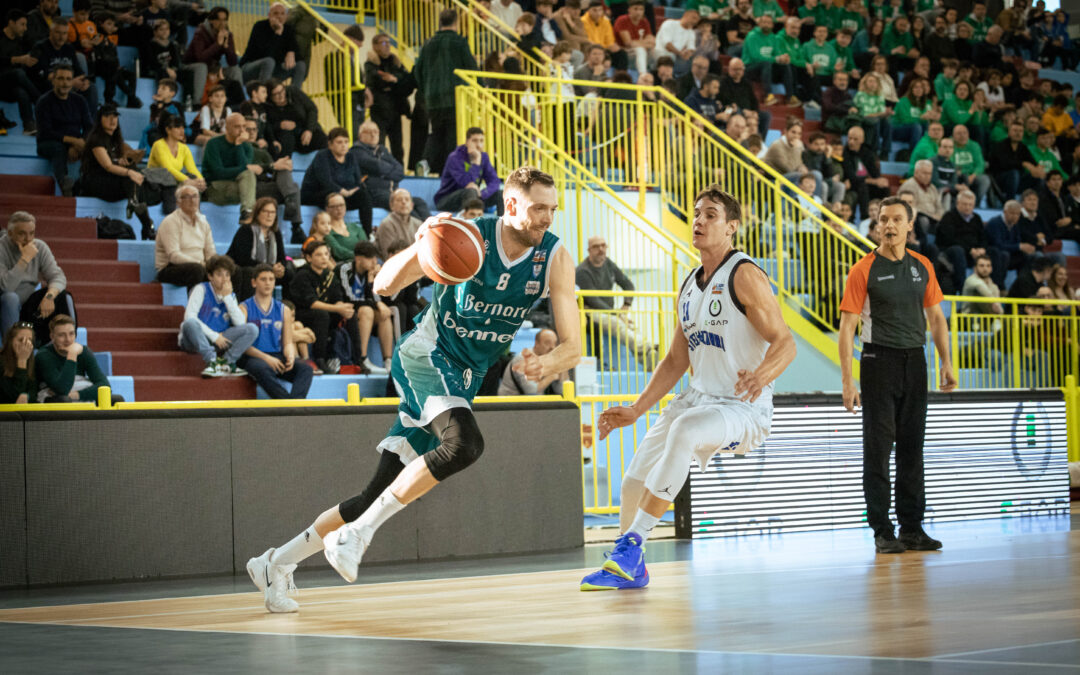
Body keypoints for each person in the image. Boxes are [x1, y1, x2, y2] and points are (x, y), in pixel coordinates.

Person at [246, 166, 580, 612]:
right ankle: (357, 535)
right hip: (426, 355)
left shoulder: (554, 257)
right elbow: (383, 286)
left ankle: (275, 563)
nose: (547, 218)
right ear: (512, 205)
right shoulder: (465, 236)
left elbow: (573, 345)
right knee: (466, 444)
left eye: (552, 209)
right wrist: (422, 245)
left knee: (371, 495)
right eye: (539, 208)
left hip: (463, 379)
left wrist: (549, 361)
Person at [578, 186, 796, 590]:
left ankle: (631, 547)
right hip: (697, 398)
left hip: (741, 405)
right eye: (696, 213)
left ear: (732, 227)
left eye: (710, 215)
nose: (698, 220)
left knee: (686, 431)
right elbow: (676, 361)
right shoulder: (689, 285)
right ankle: (629, 566)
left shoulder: (744, 274)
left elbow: (787, 342)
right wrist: (637, 408)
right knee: (632, 483)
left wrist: (761, 375)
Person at [839, 196, 956, 555]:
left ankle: (912, 528)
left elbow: (936, 319)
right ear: (876, 225)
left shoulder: (923, 266)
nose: (888, 226)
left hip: (915, 362)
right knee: (877, 450)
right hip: (878, 362)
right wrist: (847, 381)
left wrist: (946, 363)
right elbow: (846, 329)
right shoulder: (863, 269)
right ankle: (882, 531)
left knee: (912, 449)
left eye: (895, 220)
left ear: (910, 224)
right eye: (882, 219)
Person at [78, 104, 159, 236]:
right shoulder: (96, 139)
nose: (112, 120)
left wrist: (125, 161)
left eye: (115, 116)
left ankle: (139, 212)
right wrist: (128, 171)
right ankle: (146, 224)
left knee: (133, 172)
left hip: (112, 182)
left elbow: (129, 159)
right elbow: (107, 166)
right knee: (132, 174)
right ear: (100, 119)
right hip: (95, 183)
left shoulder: (116, 140)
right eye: (108, 116)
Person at [413, 9, 478, 175]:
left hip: (432, 98)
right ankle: (452, 171)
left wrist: (426, 88)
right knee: (452, 136)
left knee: (435, 134)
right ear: (456, 22)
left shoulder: (428, 43)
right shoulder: (459, 42)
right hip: (455, 96)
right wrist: (481, 87)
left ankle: (425, 163)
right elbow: (471, 68)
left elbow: (417, 71)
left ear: (440, 22)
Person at [576, 235, 656, 367]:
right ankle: (645, 349)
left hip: (609, 313)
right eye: (596, 247)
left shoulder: (608, 263)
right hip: (589, 313)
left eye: (603, 245)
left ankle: (647, 354)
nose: (601, 249)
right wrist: (617, 314)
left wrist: (626, 305)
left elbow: (628, 285)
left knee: (630, 325)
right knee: (617, 323)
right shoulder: (582, 271)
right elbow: (594, 300)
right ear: (589, 250)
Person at [239, 263, 312, 399]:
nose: (268, 283)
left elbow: (288, 342)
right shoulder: (244, 308)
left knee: (306, 369)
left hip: (277, 356)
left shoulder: (284, 309)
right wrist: (267, 358)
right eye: (263, 279)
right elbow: (243, 346)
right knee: (261, 368)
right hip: (253, 357)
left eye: (271, 279)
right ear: (254, 283)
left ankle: (294, 403)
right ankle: (287, 404)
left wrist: (290, 355)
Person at [0, 211, 74, 345]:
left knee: (62, 295)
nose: (28, 239)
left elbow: (58, 276)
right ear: (10, 234)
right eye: (22, 234)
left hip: (27, 307)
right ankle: (11, 350)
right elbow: (6, 287)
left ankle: (64, 346)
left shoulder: (39, 246)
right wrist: (24, 260)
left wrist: (49, 296)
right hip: (5, 306)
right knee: (10, 297)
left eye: (32, 233)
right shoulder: (2, 248)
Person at [179, 254, 257, 377]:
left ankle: (226, 362)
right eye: (219, 274)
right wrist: (214, 336)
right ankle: (212, 362)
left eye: (227, 275)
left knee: (252, 329)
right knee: (189, 323)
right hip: (195, 339)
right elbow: (189, 316)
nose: (224, 279)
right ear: (210, 276)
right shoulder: (201, 289)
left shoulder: (230, 296)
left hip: (219, 340)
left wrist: (227, 298)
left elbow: (241, 323)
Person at [287, 239, 353, 374]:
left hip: (323, 312)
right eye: (319, 255)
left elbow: (337, 298)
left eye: (326, 254)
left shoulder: (329, 275)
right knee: (322, 314)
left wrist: (343, 308)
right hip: (301, 314)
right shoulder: (302, 275)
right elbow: (312, 303)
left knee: (351, 314)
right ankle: (319, 358)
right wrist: (338, 308)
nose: (324, 258)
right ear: (309, 258)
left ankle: (357, 359)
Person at [301, 126, 372, 237]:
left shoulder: (351, 157)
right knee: (333, 197)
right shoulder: (322, 156)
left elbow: (358, 181)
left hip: (343, 195)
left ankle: (368, 235)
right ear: (330, 144)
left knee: (364, 195)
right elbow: (325, 181)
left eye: (346, 142)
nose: (343, 145)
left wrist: (353, 191)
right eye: (339, 142)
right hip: (316, 194)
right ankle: (333, 233)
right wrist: (342, 191)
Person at [352, 120, 429, 221]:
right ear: (361, 135)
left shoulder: (382, 150)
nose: (373, 135)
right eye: (369, 132)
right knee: (402, 204)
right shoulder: (356, 151)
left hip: (392, 192)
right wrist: (389, 170)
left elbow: (400, 171)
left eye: (376, 132)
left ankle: (432, 229)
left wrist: (383, 173)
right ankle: (421, 230)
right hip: (373, 193)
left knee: (419, 202)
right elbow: (377, 166)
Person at [35, 314, 123, 403]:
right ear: (52, 336)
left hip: (76, 393)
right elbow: (62, 390)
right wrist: (72, 354)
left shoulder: (83, 351)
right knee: (64, 400)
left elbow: (105, 386)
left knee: (115, 399)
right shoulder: (44, 355)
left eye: (71, 334)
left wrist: (77, 395)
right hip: (51, 398)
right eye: (62, 335)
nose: (68, 339)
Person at [34, 63, 91, 196]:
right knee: (58, 147)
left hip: (74, 143)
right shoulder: (44, 102)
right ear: (53, 80)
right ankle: (65, 183)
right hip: (48, 143)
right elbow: (46, 132)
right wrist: (73, 141)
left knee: (95, 147)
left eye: (68, 79)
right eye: (60, 78)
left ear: (72, 81)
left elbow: (89, 126)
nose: (64, 83)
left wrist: (79, 143)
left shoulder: (80, 100)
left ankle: (87, 186)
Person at [936, 190, 1007, 295]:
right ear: (958, 203)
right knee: (958, 251)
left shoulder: (977, 218)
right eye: (965, 204)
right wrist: (970, 249)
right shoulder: (949, 217)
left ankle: (997, 288)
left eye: (970, 205)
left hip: (973, 252)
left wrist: (982, 248)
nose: (967, 207)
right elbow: (949, 239)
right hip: (952, 251)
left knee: (994, 252)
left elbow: (983, 237)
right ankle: (962, 290)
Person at [339, 241, 393, 374]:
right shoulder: (345, 269)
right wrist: (376, 304)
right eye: (370, 258)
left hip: (363, 313)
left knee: (383, 315)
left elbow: (379, 297)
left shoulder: (369, 272)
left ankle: (388, 361)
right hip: (344, 312)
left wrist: (371, 281)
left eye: (375, 257)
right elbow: (349, 298)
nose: (374, 262)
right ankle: (362, 359)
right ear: (358, 258)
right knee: (367, 310)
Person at [364, 32, 415, 166]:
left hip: (396, 109)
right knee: (379, 144)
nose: (388, 46)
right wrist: (392, 81)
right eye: (384, 43)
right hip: (380, 109)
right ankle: (379, 169)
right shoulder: (370, 63)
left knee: (398, 146)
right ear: (375, 46)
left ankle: (399, 171)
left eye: (389, 43)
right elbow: (375, 79)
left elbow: (405, 77)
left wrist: (394, 79)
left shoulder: (395, 61)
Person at [155, 184, 216, 289]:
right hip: (171, 268)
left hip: (199, 266)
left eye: (195, 196)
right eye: (187, 197)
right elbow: (174, 256)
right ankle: (194, 304)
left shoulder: (203, 221)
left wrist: (216, 265)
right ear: (179, 202)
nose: (192, 200)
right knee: (197, 270)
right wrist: (200, 263)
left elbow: (210, 252)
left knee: (231, 270)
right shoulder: (171, 221)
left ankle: (231, 305)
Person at [226, 196, 288, 302]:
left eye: (272, 212)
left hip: (268, 270)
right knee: (250, 272)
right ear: (257, 213)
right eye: (266, 212)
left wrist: (280, 268)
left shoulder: (275, 233)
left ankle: (287, 309)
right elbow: (243, 259)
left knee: (289, 272)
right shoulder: (246, 230)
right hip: (243, 270)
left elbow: (282, 257)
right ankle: (246, 308)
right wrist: (270, 267)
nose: (269, 215)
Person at [182, 6, 242, 110]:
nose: (222, 23)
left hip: (212, 68)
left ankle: (241, 104)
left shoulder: (227, 34)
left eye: (225, 20)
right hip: (191, 66)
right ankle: (197, 103)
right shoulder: (200, 32)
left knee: (235, 70)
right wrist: (217, 44)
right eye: (219, 20)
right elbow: (200, 58)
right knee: (202, 67)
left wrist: (227, 47)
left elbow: (233, 62)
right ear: (211, 21)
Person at [202, 112, 258, 224]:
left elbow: (245, 169)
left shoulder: (246, 147)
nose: (242, 130)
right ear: (227, 128)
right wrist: (243, 169)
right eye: (237, 127)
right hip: (215, 189)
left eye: (244, 127)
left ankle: (246, 212)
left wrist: (238, 145)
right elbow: (217, 173)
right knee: (249, 180)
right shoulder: (213, 143)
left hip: (238, 187)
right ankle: (247, 212)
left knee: (249, 177)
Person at [434, 127, 503, 215]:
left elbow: (494, 181)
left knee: (500, 194)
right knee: (470, 190)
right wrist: (475, 163)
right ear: (467, 142)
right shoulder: (455, 157)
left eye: (481, 141)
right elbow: (466, 183)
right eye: (475, 141)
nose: (479, 145)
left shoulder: (484, 157)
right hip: (447, 200)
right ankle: (472, 224)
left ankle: (503, 225)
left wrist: (483, 193)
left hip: (473, 196)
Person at [148, 113, 206, 216]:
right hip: (157, 181)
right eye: (177, 127)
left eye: (183, 127)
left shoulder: (184, 148)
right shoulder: (159, 145)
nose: (182, 131)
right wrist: (187, 181)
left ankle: (195, 213)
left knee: (193, 178)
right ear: (168, 130)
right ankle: (172, 215)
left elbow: (192, 168)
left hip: (173, 180)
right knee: (178, 182)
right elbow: (168, 168)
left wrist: (200, 180)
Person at [240, 2, 305, 87]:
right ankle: (264, 96)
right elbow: (265, 54)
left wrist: (291, 52)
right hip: (249, 69)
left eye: (282, 14)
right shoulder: (259, 26)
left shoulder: (288, 29)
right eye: (276, 13)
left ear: (286, 17)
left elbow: (299, 55)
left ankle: (295, 96)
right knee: (269, 61)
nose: (279, 16)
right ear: (269, 15)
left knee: (300, 65)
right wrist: (277, 33)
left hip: (272, 70)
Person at [0, 9, 41, 135]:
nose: (25, 28)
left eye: (26, 25)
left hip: (10, 86)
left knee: (21, 91)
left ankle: (28, 125)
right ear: (11, 23)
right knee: (18, 73)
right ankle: (41, 102)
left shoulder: (21, 40)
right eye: (22, 24)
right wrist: (17, 60)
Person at [265, 78, 325, 157]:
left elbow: (312, 109)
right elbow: (266, 126)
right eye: (276, 94)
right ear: (270, 97)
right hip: (286, 137)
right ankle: (284, 166)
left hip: (305, 130)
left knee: (323, 138)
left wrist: (309, 130)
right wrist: (279, 125)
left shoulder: (293, 91)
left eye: (282, 90)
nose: (281, 95)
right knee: (285, 138)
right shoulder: (267, 106)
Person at [498, 328, 565, 396]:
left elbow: (560, 391)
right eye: (547, 343)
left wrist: (561, 374)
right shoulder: (524, 359)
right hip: (510, 403)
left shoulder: (549, 360)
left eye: (555, 343)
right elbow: (531, 392)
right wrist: (551, 377)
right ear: (536, 343)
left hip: (534, 403)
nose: (552, 347)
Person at [841, 126, 889, 220]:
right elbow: (851, 177)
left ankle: (885, 215)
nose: (851, 142)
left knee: (884, 188)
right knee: (863, 187)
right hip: (852, 185)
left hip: (864, 182)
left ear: (862, 140)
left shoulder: (867, 152)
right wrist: (873, 181)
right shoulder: (845, 152)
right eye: (850, 138)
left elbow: (875, 174)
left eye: (855, 139)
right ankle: (865, 218)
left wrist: (880, 181)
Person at [375, 189, 422, 261]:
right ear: (391, 205)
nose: (404, 202)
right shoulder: (387, 224)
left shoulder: (419, 224)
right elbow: (389, 257)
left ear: (412, 205)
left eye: (407, 199)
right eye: (399, 200)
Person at [653, 5, 698, 77]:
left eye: (697, 20)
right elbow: (667, 45)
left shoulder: (691, 32)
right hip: (661, 52)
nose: (695, 21)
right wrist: (680, 53)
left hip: (676, 56)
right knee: (670, 57)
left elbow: (691, 48)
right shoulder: (669, 23)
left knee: (693, 62)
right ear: (686, 15)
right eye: (693, 18)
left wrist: (688, 53)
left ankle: (679, 81)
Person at [323, 192, 368, 263]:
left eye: (341, 205)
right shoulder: (327, 231)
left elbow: (366, 246)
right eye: (334, 206)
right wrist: (361, 257)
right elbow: (339, 252)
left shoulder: (355, 227)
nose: (339, 209)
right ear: (327, 209)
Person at [0, 322, 36, 403]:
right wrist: (22, 361)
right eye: (21, 340)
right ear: (10, 341)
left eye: (29, 340)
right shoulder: (1, 360)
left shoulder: (32, 361)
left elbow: (34, 393)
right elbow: (12, 397)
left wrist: (28, 396)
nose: (25, 344)